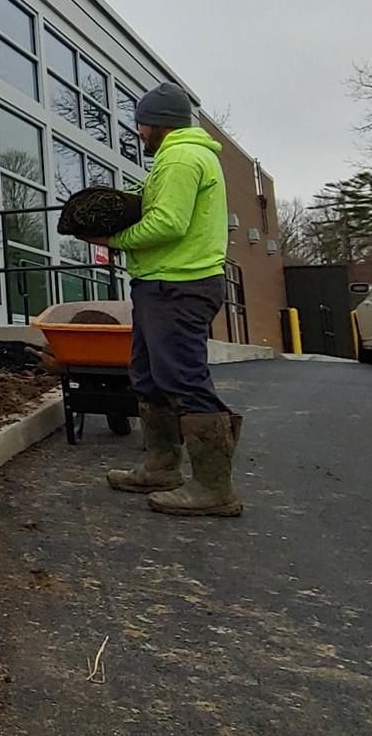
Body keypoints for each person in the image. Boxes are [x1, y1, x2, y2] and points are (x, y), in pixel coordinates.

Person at [84, 82, 240, 517]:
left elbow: (168, 224)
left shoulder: (180, 157)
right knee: (149, 376)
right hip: (161, 284)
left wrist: (113, 239)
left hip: (178, 284)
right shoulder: (183, 158)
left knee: (183, 379)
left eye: (142, 124)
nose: (139, 133)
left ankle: (214, 488)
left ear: (157, 124)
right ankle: (161, 467)